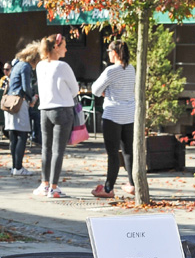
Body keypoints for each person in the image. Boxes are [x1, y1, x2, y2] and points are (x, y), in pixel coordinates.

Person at [34, 33, 79, 199]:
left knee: (46, 148)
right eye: (64, 46)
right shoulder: (62, 66)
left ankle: (45, 184)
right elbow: (75, 90)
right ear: (56, 47)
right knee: (58, 150)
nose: (66, 49)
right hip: (63, 109)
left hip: (45, 109)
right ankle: (54, 186)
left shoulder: (40, 66)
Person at [90, 40, 136, 198]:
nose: (108, 53)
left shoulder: (111, 71)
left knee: (113, 154)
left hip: (112, 114)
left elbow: (95, 90)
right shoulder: (132, 69)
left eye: (109, 51)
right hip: (129, 114)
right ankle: (133, 184)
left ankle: (108, 188)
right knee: (128, 151)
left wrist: (106, 92)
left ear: (115, 53)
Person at [4, 44, 40, 176]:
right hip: (19, 102)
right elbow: (26, 87)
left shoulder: (17, 65)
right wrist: (32, 98)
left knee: (13, 136)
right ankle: (18, 167)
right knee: (22, 135)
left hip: (10, 101)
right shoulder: (25, 66)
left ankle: (15, 166)